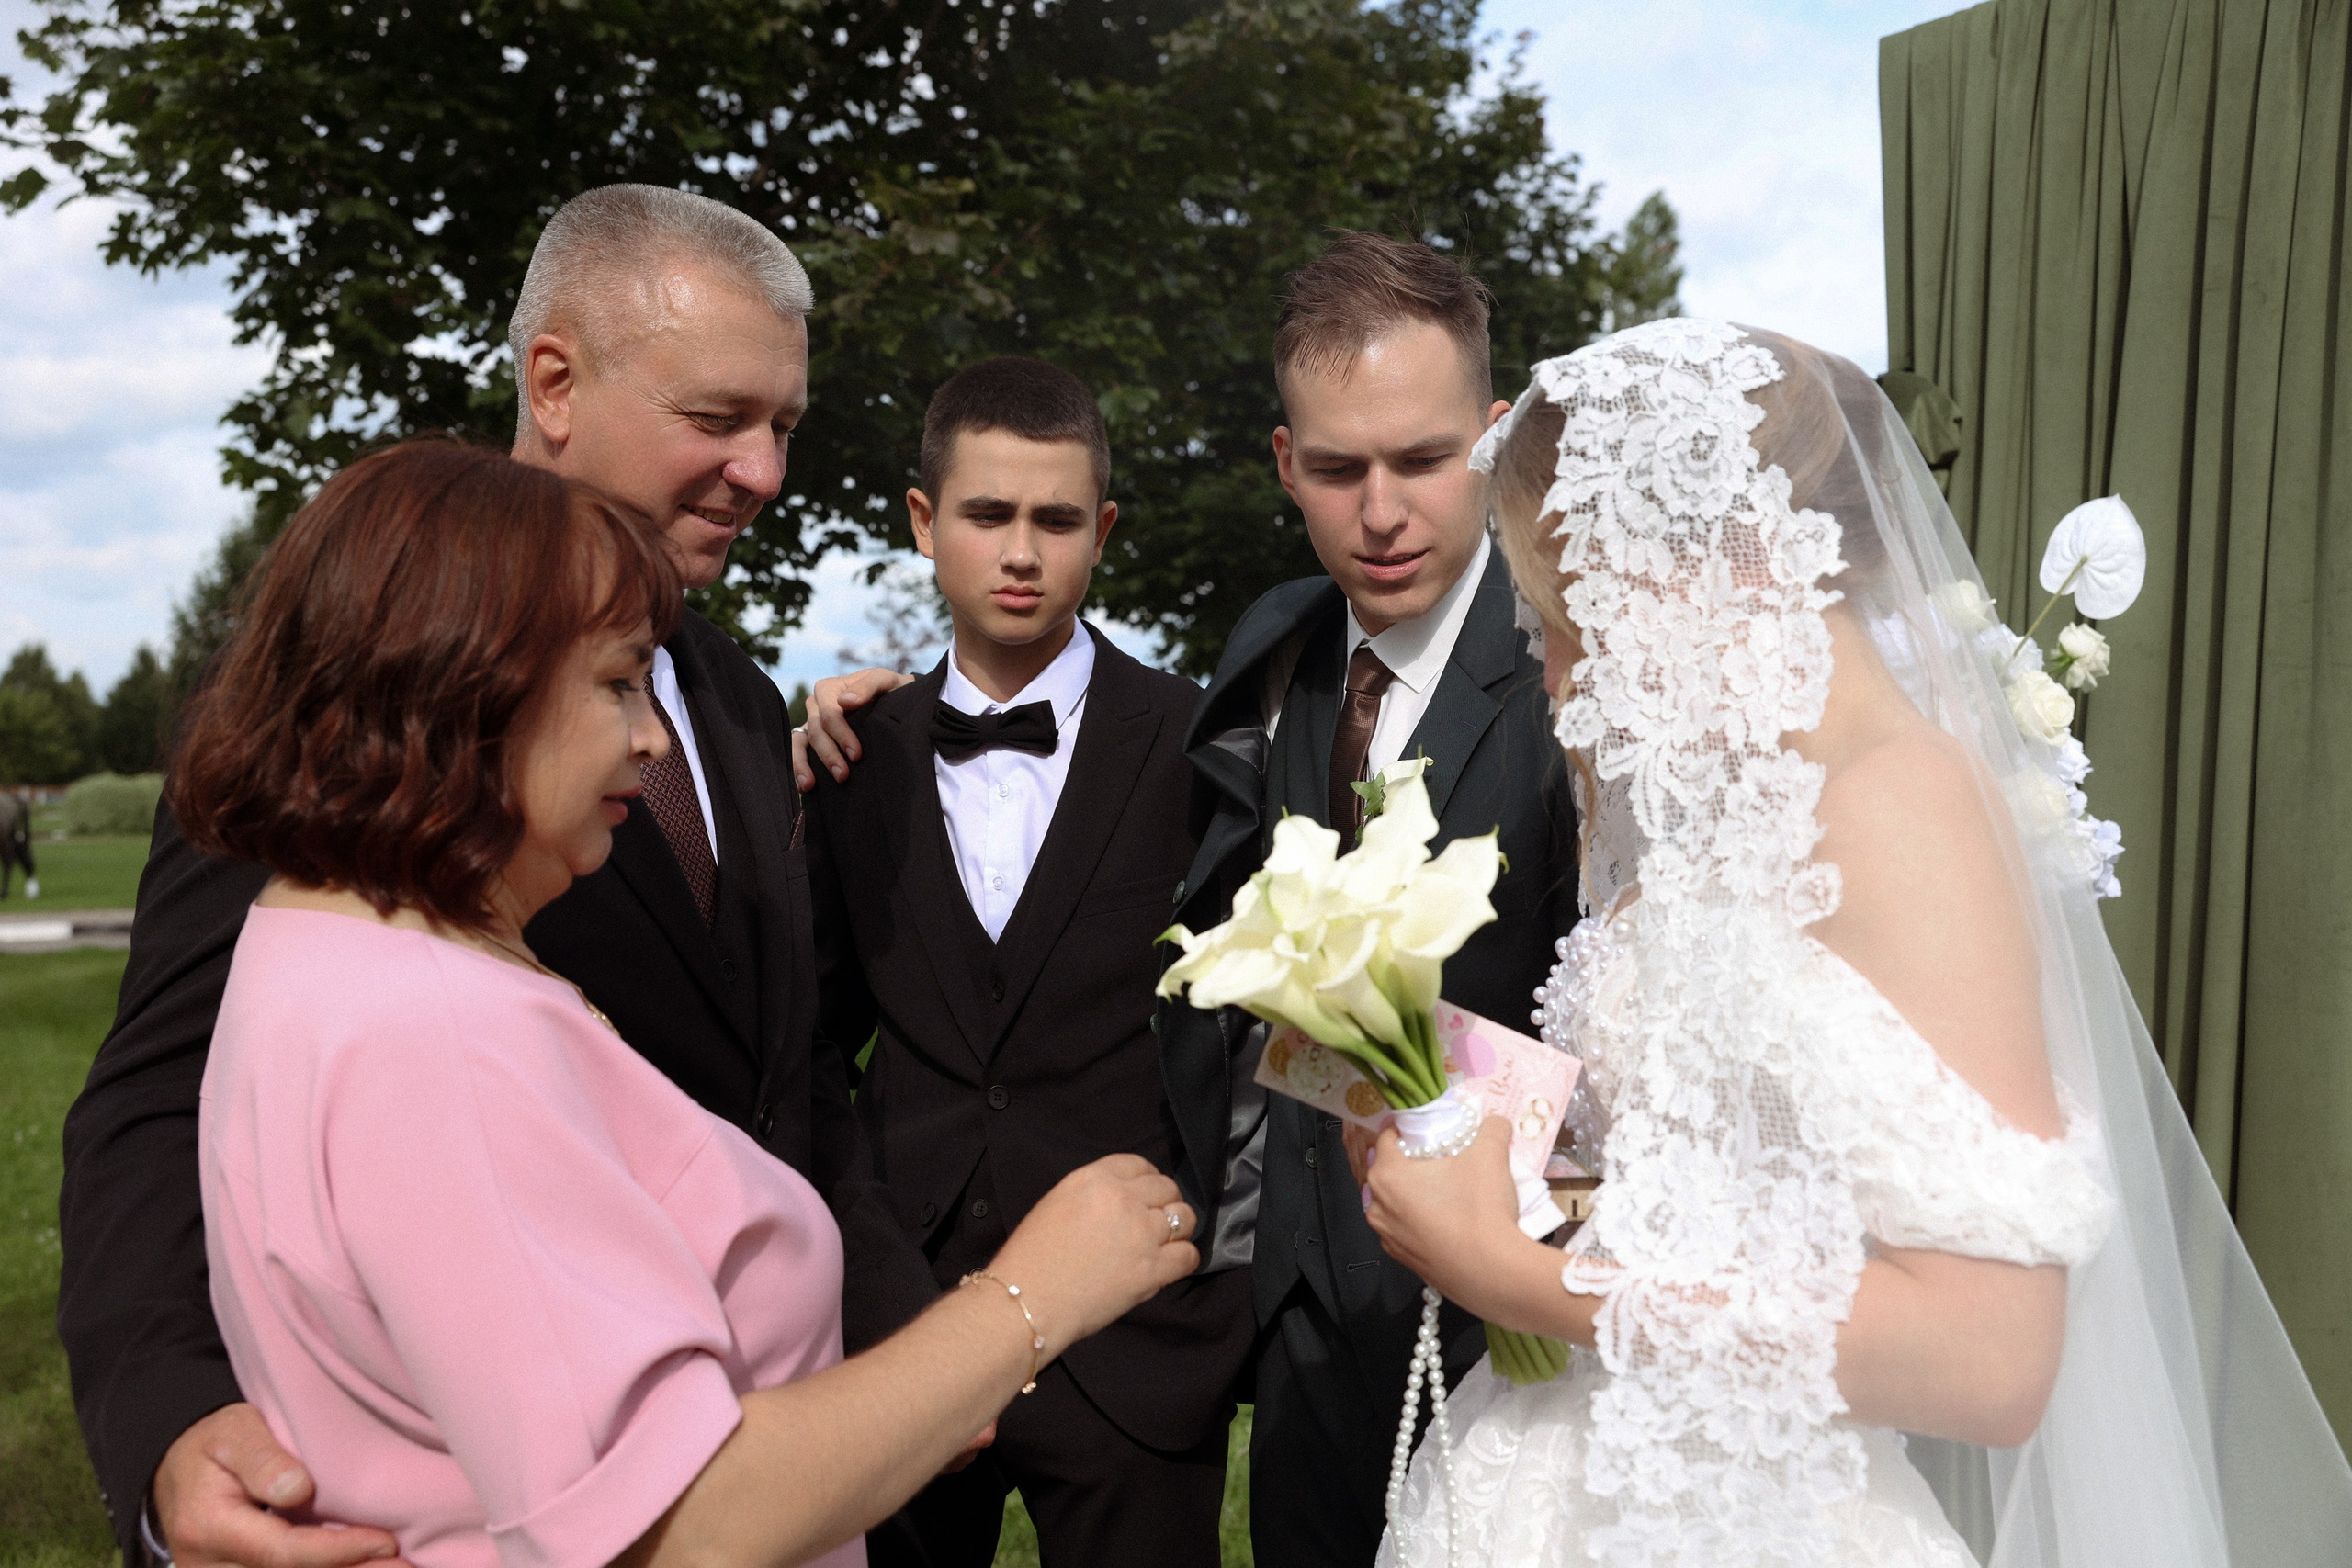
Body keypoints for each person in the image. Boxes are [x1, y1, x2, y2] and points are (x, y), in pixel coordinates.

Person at [1363, 318, 2352, 1565]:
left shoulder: (1903, 806)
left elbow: (1991, 1357)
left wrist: (1509, 1275)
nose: (1555, 672)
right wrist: (1478, 1125)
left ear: (1692, 567)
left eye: (1568, 615)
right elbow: (1731, 1177)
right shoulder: (1724, 815)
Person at [55, 184, 936, 1568]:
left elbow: (784, 1066)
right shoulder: (363, 682)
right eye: (718, 420)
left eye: (784, 429)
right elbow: (167, 1085)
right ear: (555, 379)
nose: (763, 472)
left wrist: (905, 1335)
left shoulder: (738, 695)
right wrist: (172, 1418)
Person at [175, 437, 1198, 1568]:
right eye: (616, 684)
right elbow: (680, 1522)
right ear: (469, 685)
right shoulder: (440, 1033)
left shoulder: (313, 944)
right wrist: (1028, 1298)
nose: (654, 734)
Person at [803, 356, 1255, 1566]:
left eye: (1055, 519)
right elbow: (808, 1042)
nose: (1020, 550)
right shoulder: (854, 759)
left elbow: (1257, 1030)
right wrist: (873, 1274)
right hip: (904, 1327)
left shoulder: (1203, 748)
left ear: (1102, 530)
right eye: (987, 514)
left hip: (1135, 1340)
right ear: (922, 519)